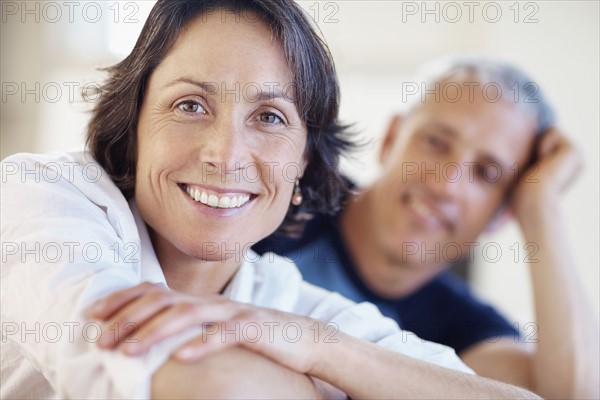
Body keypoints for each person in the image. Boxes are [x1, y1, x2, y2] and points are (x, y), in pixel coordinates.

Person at [0, 1, 542, 399]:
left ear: (304, 160)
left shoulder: (285, 301)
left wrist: (322, 349)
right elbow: (203, 382)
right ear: (135, 122)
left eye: (269, 117)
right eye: (190, 105)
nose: (226, 154)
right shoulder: (42, 200)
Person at [255, 57, 600, 398]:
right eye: (436, 143)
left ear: (502, 213)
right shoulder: (286, 200)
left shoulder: (465, 330)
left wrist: (541, 204)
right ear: (391, 138)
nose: (445, 184)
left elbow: (570, 395)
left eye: (486, 173)